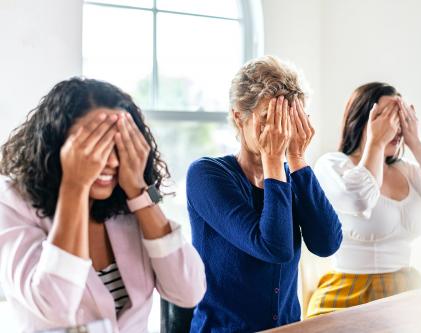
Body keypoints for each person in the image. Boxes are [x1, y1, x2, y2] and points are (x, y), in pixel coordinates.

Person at [0, 78, 206, 333]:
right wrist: (75, 187)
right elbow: (54, 304)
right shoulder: (12, 201)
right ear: (57, 144)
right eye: (93, 145)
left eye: (119, 146)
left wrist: (139, 192)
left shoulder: (125, 203)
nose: (109, 160)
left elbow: (189, 291)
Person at [186, 56, 343, 332]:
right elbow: (274, 247)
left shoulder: (288, 176)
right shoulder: (206, 175)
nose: (280, 131)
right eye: (269, 119)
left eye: (288, 120)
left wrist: (296, 158)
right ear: (239, 117)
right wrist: (274, 161)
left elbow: (327, 243)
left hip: (287, 328)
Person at [307, 82, 421, 317]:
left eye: (401, 117)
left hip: (406, 290)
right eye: (387, 116)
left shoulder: (407, 170)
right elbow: (360, 198)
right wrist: (375, 142)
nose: (395, 126)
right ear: (362, 120)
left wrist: (415, 143)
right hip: (347, 293)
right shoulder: (332, 165)